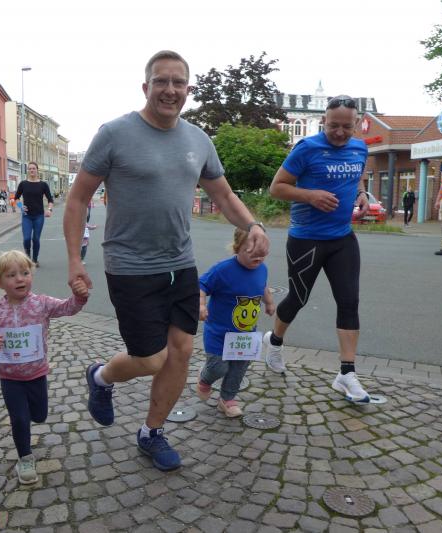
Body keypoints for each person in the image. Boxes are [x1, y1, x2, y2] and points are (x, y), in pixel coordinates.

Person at [63, 50, 269, 471]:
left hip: (180, 264)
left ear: (188, 89)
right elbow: (78, 198)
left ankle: (151, 433)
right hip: (130, 266)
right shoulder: (115, 134)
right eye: (161, 81)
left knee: (182, 351)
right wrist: (73, 260)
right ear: (146, 87)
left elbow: (223, 195)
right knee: (151, 358)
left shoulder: (199, 140)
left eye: (178, 82)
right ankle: (100, 377)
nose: (169, 90)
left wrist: (253, 225)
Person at [263, 95, 372, 403]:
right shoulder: (306, 148)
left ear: (355, 124)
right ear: (324, 121)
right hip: (306, 239)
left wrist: (362, 193)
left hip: (342, 238)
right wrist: (310, 196)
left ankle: (346, 373)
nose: (339, 132)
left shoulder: (359, 148)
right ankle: (275, 341)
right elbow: (277, 187)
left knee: (349, 302)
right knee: (298, 298)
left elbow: (358, 174)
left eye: (346, 127)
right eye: (333, 125)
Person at [0, 250, 88, 484]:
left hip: (36, 374)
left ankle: (33, 416)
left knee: (39, 415)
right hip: (9, 377)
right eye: (11, 275)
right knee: (19, 418)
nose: (20, 279)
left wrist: (79, 297)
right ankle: (25, 457)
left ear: (31, 276)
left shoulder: (41, 304)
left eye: (25, 273)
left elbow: (68, 307)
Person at [197, 228, 275, 417]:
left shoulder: (262, 269)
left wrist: (269, 302)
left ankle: (227, 399)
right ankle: (205, 379)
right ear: (237, 248)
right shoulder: (222, 270)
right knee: (219, 367)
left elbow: (263, 286)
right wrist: (201, 305)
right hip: (218, 333)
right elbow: (201, 285)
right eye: (253, 254)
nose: (258, 259)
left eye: (262, 255)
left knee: (239, 368)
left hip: (245, 335)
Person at [15, 162, 54, 267]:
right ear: (28, 171)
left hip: (39, 216)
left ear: (37, 170)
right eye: (30, 169)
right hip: (27, 216)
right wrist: (20, 206)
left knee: (36, 239)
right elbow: (16, 198)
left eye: (33, 168)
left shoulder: (43, 185)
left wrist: (49, 209)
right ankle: (27, 259)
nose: (32, 170)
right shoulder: (23, 184)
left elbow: (50, 200)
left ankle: (35, 260)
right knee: (26, 239)